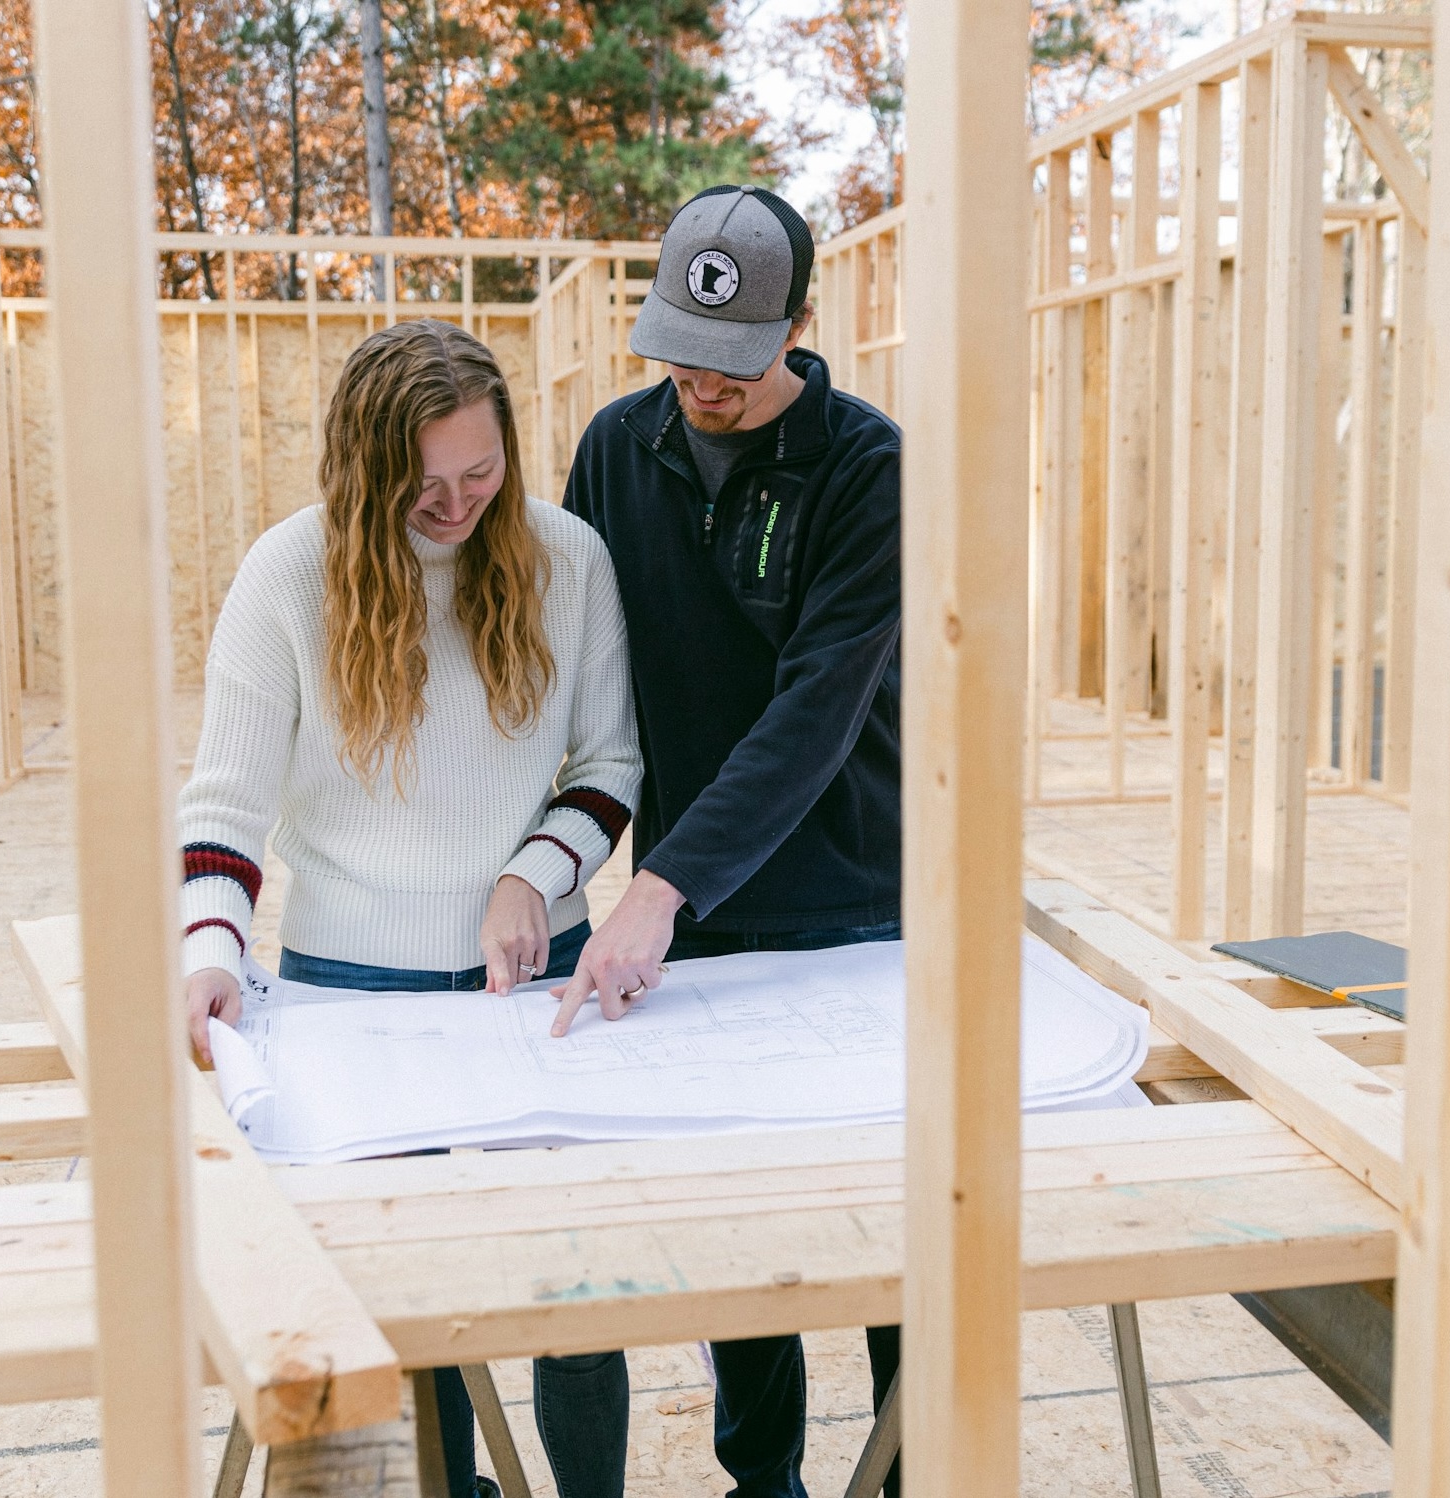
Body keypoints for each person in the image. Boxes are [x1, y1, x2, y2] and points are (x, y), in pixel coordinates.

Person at [175, 319, 641, 1498]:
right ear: (362, 470)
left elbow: (610, 764)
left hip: (541, 983)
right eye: (421, 485)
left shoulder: (567, 558)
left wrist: (531, 874)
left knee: (577, 1285)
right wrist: (212, 950)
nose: (454, 504)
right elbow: (225, 806)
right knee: (408, 1294)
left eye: (479, 474)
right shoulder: (288, 575)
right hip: (351, 993)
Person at [556, 185, 904, 1498]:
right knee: (741, 1209)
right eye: (679, 353)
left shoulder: (867, 466)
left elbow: (815, 712)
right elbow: (573, 668)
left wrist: (658, 884)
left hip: (854, 887)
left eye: (733, 358)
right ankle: (764, 1477)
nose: (701, 382)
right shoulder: (613, 448)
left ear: (800, 326)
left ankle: (906, 1462)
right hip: (686, 895)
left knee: (886, 1210)